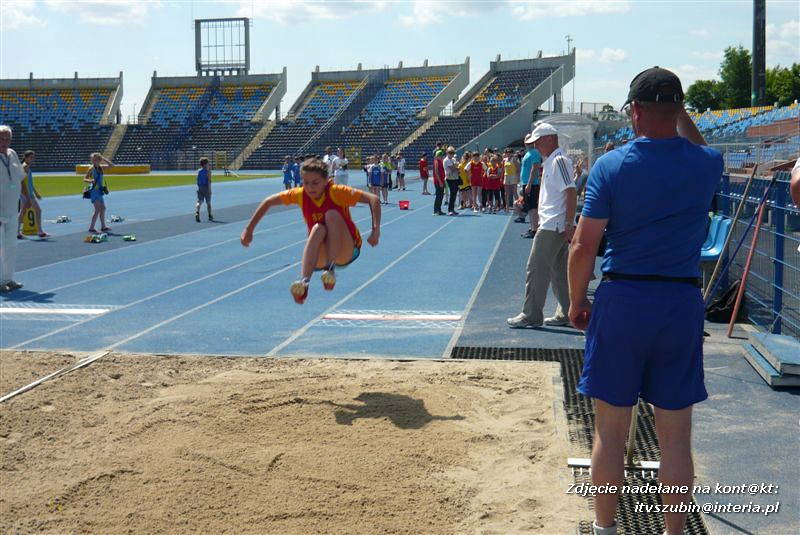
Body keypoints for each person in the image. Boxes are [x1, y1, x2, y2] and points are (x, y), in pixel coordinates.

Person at [568, 67, 722, 535]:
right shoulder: (706, 163)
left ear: (633, 111)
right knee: (676, 440)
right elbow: (695, 145)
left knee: (610, 433)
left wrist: (577, 300)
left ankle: (605, 529)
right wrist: (679, 112)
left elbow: (583, 246)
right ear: (677, 111)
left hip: (624, 298)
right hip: (679, 302)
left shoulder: (611, 167)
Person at [241, 158, 381, 304]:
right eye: (306, 183)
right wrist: (249, 229)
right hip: (319, 255)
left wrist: (375, 230)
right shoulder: (301, 194)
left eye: (315, 183)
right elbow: (268, 202)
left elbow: (374, 199)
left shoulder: (336, 191)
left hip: (345, 250)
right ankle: (304, 284)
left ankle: (330, 271)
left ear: (326, 180)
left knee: (331, 215)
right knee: (318, 228)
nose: (310, 188)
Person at [507, 122, 576, 328]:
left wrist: (568, 223)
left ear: (548, 139)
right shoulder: (552, 161)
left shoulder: (559, 161)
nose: (535, 146)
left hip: (553, 225)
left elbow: (570, 191)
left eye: (537, 142)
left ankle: (532, 314)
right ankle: (567, 312)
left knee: (536, 268)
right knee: (558, 271)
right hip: (554, 223)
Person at [0, 125, 25, 293]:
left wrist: (27, 198)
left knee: (11, 246)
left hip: (12, 209)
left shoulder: (13, 154)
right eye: (1, 138)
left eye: (7, 139)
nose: (4, 142)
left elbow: (21, 178)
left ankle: (8, 278)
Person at [18, 150, 49, 239]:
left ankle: (17, 232)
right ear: (26, 157)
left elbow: (30, 183)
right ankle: (39, 231)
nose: (33, 159)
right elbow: (22, 182)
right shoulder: (25, 167)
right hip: (27, 194)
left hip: (28, 193)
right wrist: (27, 195)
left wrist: (36, 193)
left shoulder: (26, 166)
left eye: (33, 157)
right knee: (37, 211)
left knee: (23, 212)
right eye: (31, 157)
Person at [516, 135, 543, 238]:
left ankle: (534, 230)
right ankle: (533, 228)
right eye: (526, 138)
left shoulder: (535, 152)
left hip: (531, 184)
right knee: (530, 207)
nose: (527, 141)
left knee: (532, 208)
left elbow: (535, 168)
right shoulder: (528, 153)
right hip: (526, 183)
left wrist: (529, 184)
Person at [83, 152, 115, 233]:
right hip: (94, 191)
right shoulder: (91, 169)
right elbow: (85, 179)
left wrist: (103, 159)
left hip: (99, 191)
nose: (94, 161)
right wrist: (91, 180)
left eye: (96, 159)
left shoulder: (100, 168)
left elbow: (112, 165)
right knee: (97, 209)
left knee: (103, 208)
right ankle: (91, 227)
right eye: (93, 159)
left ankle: (103, 226)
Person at [443, 146, 461, 216]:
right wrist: (457, 167)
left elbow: (457, 167)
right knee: (452, 194)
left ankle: (452, 209)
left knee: (454, 194)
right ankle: (450, 210)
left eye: (452, 153)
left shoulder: (453, 159)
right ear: (447, 153)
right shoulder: (446, 160)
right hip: (450, 178)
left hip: (455, 178)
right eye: (450, 153)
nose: (451, 154)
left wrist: (457, 167)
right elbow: (453, 168)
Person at [195, 157, 213, 222]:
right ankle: (210, 215)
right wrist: (210, 189)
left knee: (199, 201)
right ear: (205, 164)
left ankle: (197, 212)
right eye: (208, 163)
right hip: (206, 187)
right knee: (208, 202)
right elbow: (209, 180)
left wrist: (199, 187)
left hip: (200, 187)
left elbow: (197, 180)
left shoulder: (199, 171)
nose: (209, 164)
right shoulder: (208, 171)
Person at [502, 148, 520, 213]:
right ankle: (507, 207)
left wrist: (518, 177)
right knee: (506, 193)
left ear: (512, 153)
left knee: (515, 192)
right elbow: (503, 170)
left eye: (510, 152)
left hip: (513, 176)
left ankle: (518, 207)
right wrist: (502, 177)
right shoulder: (504, 160)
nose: (508, 153)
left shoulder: (514, 159)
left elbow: (518, 168)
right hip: (506, 176)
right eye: (507, 152)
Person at [432, 149, 446, 215]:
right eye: (440, 155)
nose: (441, 157)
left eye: (442, 155)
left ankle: (439, 209)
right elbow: (436, 172)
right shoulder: (436, 162)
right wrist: (440, 181)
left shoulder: (441, 161)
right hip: (438, 181)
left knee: (441, 195)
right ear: (437, 156)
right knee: (438, 195)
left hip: (442, 180)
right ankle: (436, 210)